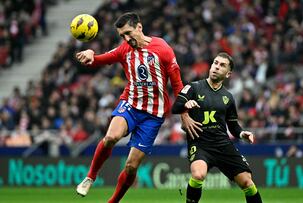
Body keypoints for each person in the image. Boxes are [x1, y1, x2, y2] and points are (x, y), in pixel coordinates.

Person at [75, 12, 184, 202]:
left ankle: (113, 201)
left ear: (139, 27)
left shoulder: (162, 49)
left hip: (153, 115)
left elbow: (177, 84)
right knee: (111, 137)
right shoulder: (124, 49)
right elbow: (99, 60)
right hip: (130, 105)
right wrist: (91, 54)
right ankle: (90, 177)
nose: (126, 39)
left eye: (128, 33)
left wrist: (184, 112)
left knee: (131, 167)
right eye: (122, 36)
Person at [172, 52, 263, 203]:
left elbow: (233, 126)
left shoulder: (228, 97)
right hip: (200, 143)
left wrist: (242, 134)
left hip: (223, 144)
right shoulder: (193, 87)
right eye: (215, 63)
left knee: (247, 182)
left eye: (222, 65)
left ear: (228, 74)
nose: (216, 67)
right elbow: (175, 107)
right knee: (198, 175)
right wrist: (185, 105)